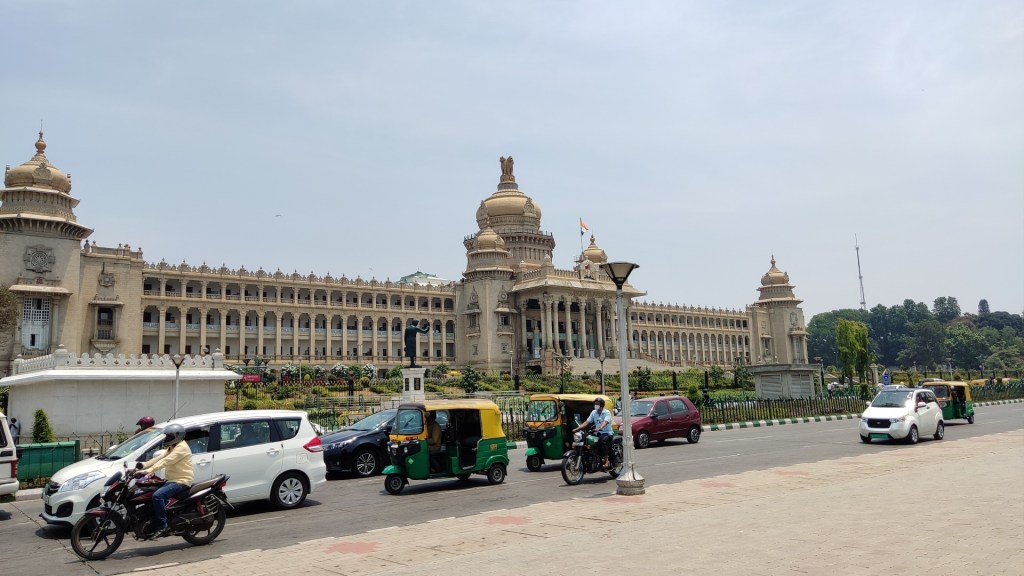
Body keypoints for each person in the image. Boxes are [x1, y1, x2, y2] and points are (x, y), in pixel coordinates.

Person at [138, 423, 193, 537]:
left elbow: (166, 461)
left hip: (181, 481)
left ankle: (163, 526)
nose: (167, 438)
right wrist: (141, 466)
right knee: (148, 491)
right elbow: (159, 458)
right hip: (171, 480)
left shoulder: (181, 447)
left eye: (169, 436)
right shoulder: (172, 446)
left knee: (157, 496)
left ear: (177, 436)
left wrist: (148, 471)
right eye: (166, 436)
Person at [574, 397, 613, 469]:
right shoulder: (593, 412)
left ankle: (606, 461)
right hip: (596, 433)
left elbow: (605, 421)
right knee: (586, 439)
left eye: (597, 404)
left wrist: (601, 427)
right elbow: (587, 422)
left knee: (602, 440)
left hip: (607, 433)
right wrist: (578, 428)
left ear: (601, 405)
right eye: (595, 404)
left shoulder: (606, 412)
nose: (596, 405)